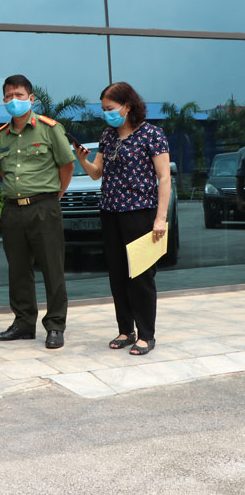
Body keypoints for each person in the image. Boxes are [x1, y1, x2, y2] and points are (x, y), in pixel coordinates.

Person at [75, 82, 170, 355]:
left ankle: (146, 334)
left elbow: (164, 177)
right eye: (103, 109)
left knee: (140, 275)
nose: (106, 113)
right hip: (111, 212)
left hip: (140, 212)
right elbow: (96, 173)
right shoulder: (108, 135)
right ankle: (125, 330)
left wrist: (160, 218)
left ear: (127, 106)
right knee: (117, 274)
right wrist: (83, 158)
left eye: (110, 108)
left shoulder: (152, 134)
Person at [0, 74, 74, 349]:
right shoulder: (0, 136)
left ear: (31, 98)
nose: (14, 101)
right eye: (9, 96)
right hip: (13, 209)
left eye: (20, 95)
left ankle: (55, 325)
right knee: (18, 269)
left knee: (52, 267)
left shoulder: (50, 129)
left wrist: (54, 195)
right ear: (3, 100)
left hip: (43, 207)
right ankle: (23, 323)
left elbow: (66, 166)